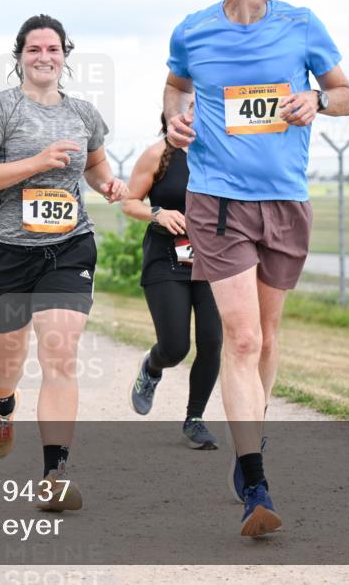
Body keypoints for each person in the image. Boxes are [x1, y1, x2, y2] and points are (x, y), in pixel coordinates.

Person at [164, 0, 349, 537]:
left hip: (286, 202)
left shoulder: (303, 25)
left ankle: (252, 440)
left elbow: (346, 93)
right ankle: (256, 482)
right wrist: (175, 120)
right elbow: (174, 85)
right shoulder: (193, 30)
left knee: (268, 339)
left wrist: (317, 102)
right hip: (217, 202)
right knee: (241, 340)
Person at [0, 14, 127, 511]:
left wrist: (109, 185)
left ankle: (55, 472)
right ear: (19, 58)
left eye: (52, 49)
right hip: (7, 252)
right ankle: (3, 406)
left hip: (68, 246)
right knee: (8, 360)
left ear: (64, 56)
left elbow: (94, 165)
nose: (44, 57)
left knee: (60, 352)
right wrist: (36, 162)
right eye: (34, 49)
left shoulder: (82, 114)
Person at [123, 115, 222, 449]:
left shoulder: (221, 152)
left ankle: (195, 420)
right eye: (188, 106)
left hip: (213, 260)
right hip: (166, 259)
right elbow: (129, 202)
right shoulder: (157, 154)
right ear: (171, 115)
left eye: (201, 105)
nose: (195, 113)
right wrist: (158, 213)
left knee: (211, 341)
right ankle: (152, 367)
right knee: (176, 346)